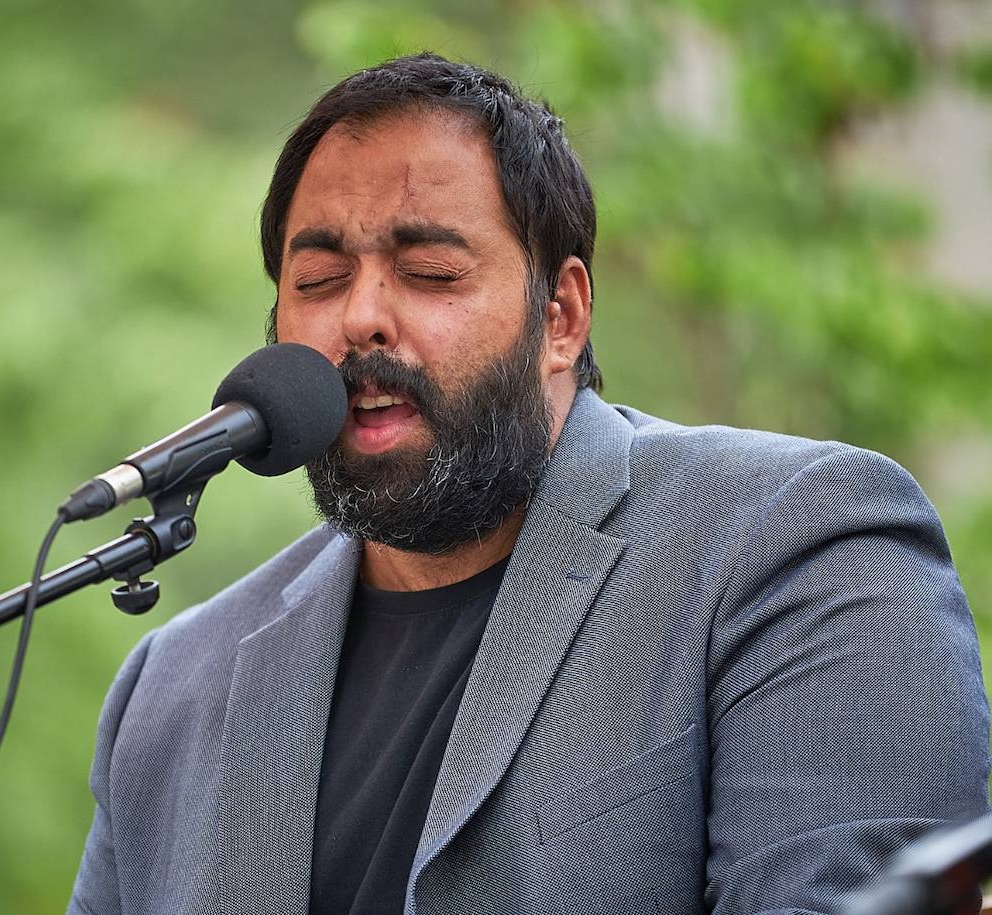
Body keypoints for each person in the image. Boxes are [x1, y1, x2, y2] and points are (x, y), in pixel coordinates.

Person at [67, 54, 989, 915]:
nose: (363, 318)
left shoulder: (802, 544)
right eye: (319, 279)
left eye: (429, 272)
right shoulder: (171, 690)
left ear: (562, 315)